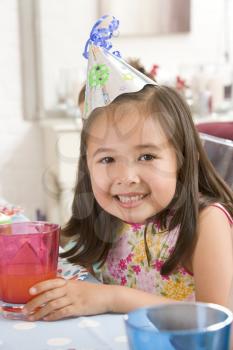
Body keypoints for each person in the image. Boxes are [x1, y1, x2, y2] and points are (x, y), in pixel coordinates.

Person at [22, 15, 233, 322]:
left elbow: (215, 322)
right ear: (87, 167)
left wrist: (111, 298)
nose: (126, 177)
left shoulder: (205, 223)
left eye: (146, 156)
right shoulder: (107, 215)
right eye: (107, 160)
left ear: (182, 159)